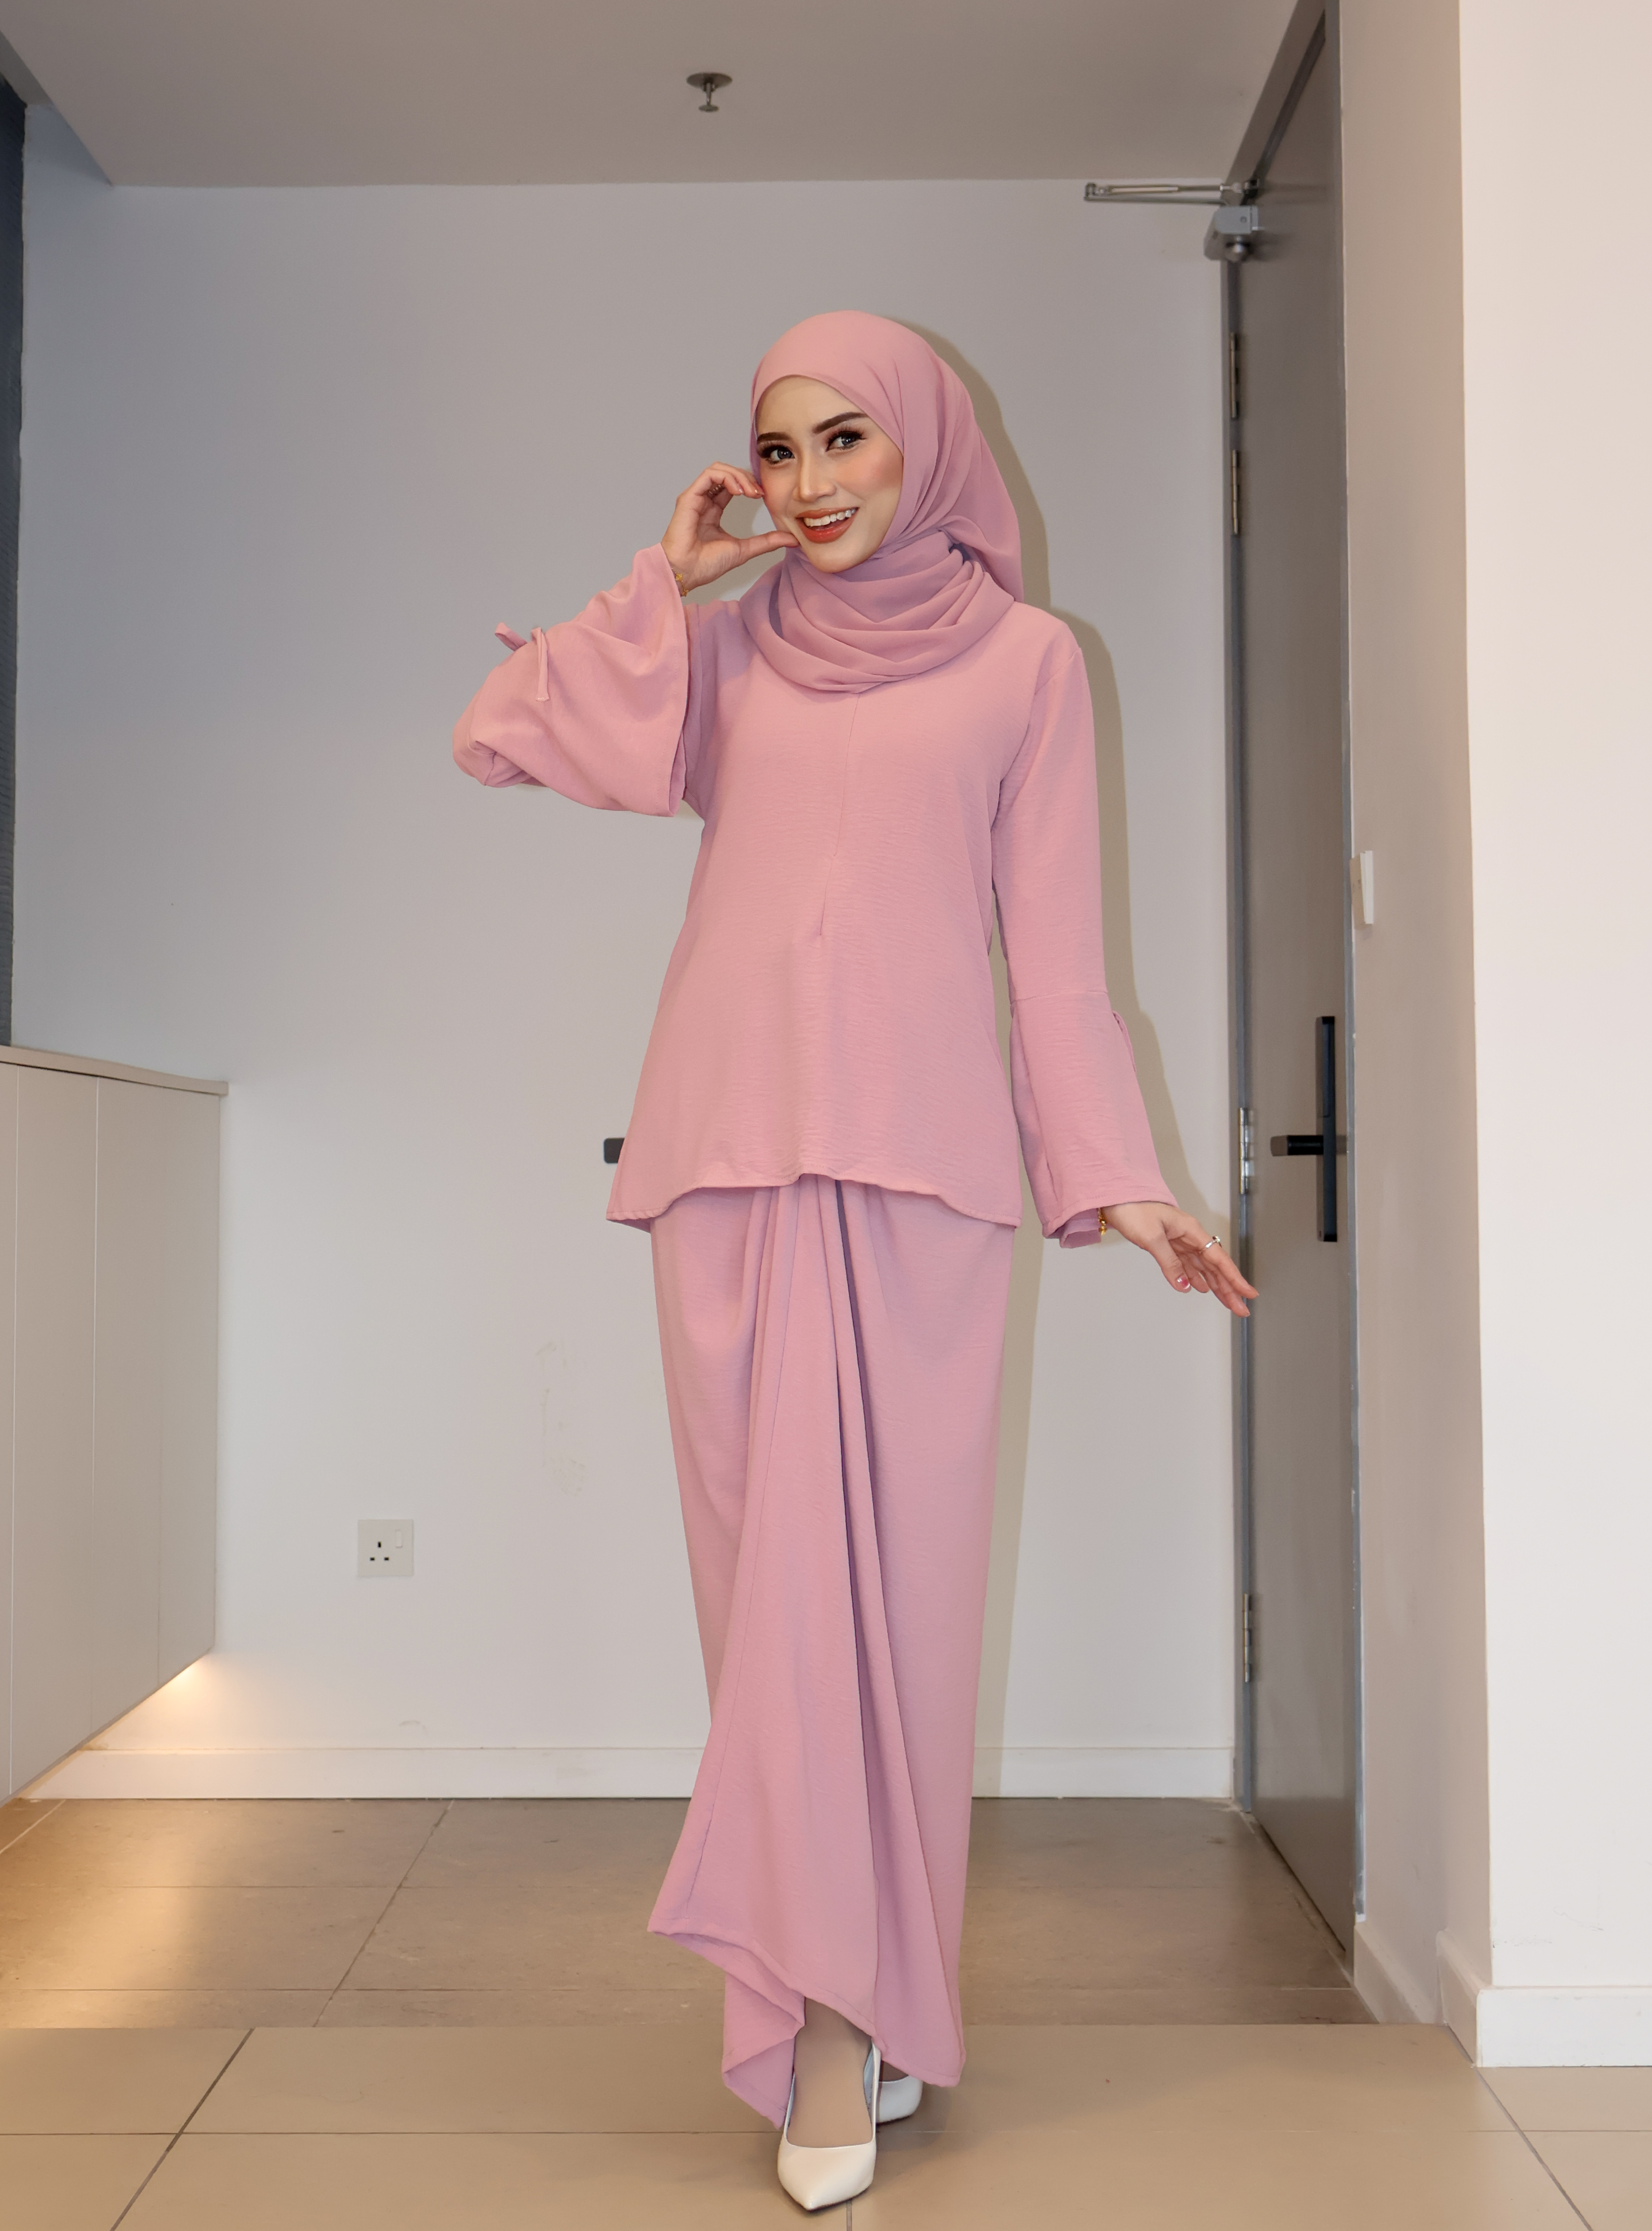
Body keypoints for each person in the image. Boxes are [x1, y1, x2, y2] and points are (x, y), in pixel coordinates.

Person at [453, 311, 1255, 2209]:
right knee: (773, 1620)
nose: (809, 484)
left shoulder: (1032, 666)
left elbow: (1056, 957)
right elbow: (508, 731)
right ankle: (819, 2022)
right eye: (778, 448)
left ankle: (869, 2002)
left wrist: (1123, 1179)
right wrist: (667, 582)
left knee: (900, 1618)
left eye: (845, 442)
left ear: (924, 448)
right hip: (728, 1165)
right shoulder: (727, 649)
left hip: (927, 1180)